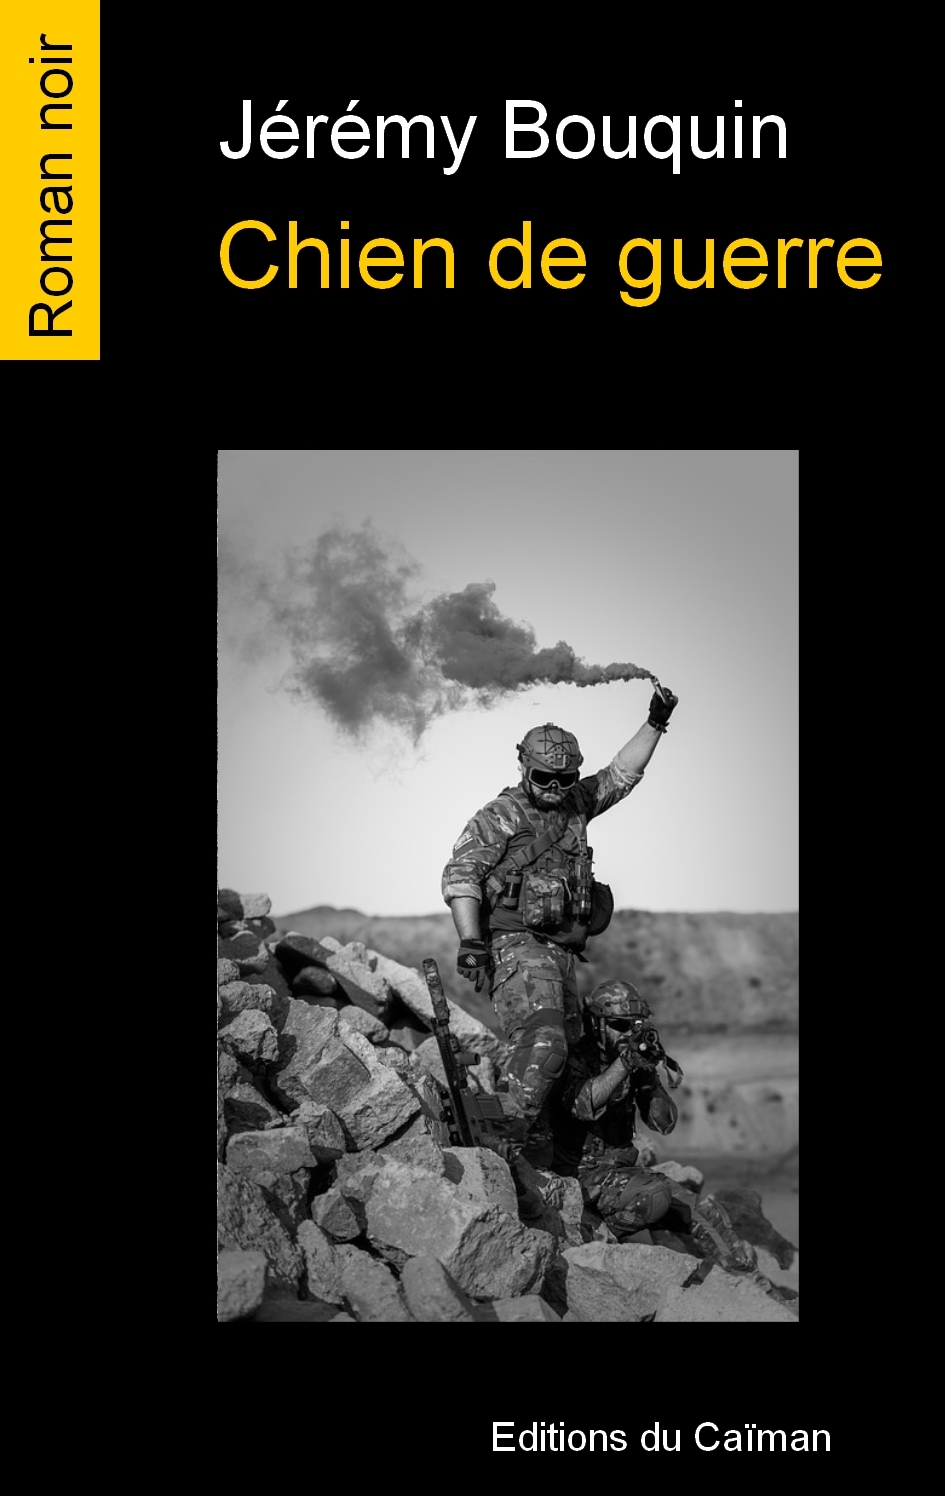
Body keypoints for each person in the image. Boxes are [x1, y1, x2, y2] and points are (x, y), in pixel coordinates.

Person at [440, 685, 678, 1182]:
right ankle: (497, 1143)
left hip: (561, 956)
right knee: (545, 1043)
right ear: (523, 767)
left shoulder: (576, 805)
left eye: (564, 778)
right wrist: (471, 943)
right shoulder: (500, 816)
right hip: (517, 948)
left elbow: (621, 775)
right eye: (543, 777)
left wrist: (656, 723)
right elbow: (461, 877)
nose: (554, 786)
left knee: (567, 1063)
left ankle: (548, 1163)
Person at [548, 979, 758, 1274]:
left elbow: (664, 1122)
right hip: (580, 1175)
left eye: (634, 1025)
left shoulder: (633, 1062)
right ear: (596, 1024)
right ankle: (604, 1231)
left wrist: (649, 1076)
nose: (628, 1033)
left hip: (622, 1174)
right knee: (654, 1196)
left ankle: (744, 1280)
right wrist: (624, 1065)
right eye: (620, 1025)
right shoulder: (575, 1058)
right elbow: (583, 1104)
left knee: (705, 1212)